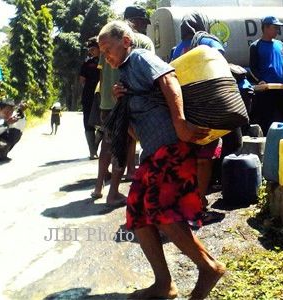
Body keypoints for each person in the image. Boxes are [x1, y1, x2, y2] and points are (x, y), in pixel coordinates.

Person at [98, 20, 225, 299]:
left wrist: (180, 122)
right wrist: (123, 101)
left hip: (172, 146)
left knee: (161, 212)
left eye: (108, 49)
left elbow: (168, 79)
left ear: (127, 42)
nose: (106, 57)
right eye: (102, 53)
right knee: (138, 213)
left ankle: (209, 267)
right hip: (153, 153)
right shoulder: (125, 76)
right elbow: (134, 129)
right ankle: (164, 284)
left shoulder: (141, 58)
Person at [90, 6, 155, 207]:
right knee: (122, 145)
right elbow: (149, 71)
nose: (144, 25)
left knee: (108, 145)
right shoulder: (141, 41)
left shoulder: (106, 39)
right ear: (135, 21)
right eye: (143, 21)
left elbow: (101, 75)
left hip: (107, 101)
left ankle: (99, 187)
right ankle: (114, 193)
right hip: (127, 101)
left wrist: (103, 98)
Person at [170, 12, 229, 223]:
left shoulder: (177, 48)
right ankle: (199, 207)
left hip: (186, 107)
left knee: (191, 155)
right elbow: (221, 61)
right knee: (205, 157)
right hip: (207, 105)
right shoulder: (208, 40)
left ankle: (188, 202)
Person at [249, 16, 283, 134]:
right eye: (275, 27)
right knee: (265, 120)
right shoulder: (255, 46)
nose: (278, 30)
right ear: (266, 28)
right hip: (267, 89)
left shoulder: (280, 44)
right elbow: (253, 68)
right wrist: (260, 80)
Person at [79, 37, 101, 159]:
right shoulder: (89, 63)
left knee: (98, 122)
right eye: (90, 50)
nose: (91, 52)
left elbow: (82, 80)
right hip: (90, 96)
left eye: (93, 49)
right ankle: (92, 150)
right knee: (90, 123)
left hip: (99, 95)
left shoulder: (89, 63)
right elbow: (81, 80)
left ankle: (94, 149)